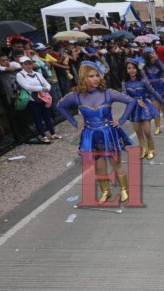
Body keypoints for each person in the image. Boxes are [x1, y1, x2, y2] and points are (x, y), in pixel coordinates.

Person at [57, 61, 136, 203]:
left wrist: (122, 120)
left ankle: (125, 189)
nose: (95, 79)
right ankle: (105, 191)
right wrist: (75, 122)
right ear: (83, 78)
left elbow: (131, 101)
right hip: (91, 135)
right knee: (99, 165)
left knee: (116, 163)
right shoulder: (76, 95)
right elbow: (60, 106)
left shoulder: (108, 93)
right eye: (91, 76)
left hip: (109, 133)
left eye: (96, 75)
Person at [123, 58, 164, 160]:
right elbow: (124, 96)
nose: (131, 70)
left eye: (133, 68)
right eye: (129, 68)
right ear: (126, 70)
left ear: (137, 69)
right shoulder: (125, 83)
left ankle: (151, 150)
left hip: (144, 108)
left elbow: (153, 92)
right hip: (133, 109)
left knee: (147, 131)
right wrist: (133, 101)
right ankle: (144, 150)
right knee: (138, 132)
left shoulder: (143, 81)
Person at [15, 56, 61, 143]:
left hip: (43, 97)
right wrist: (42, 88)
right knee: (37, 117)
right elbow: (26, 86)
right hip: (32, 99)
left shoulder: (37, 74)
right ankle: (43, 136)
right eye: (26, 64)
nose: (28, 66)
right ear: (22, 65)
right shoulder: (20, 75)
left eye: (30, 63)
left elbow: (47, 84)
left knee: (47, 116)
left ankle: (53, 133)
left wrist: (46, 88)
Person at [143, 50, 164, 135]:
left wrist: (158, 60)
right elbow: (147, 80)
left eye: (154, 56)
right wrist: (160, 79)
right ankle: (157, 127)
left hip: (162, 88)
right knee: (156, 110)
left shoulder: (158, 64)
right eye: (152, 57)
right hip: (153, 90)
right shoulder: (145, 68)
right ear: (148, 59)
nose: (153, 58)